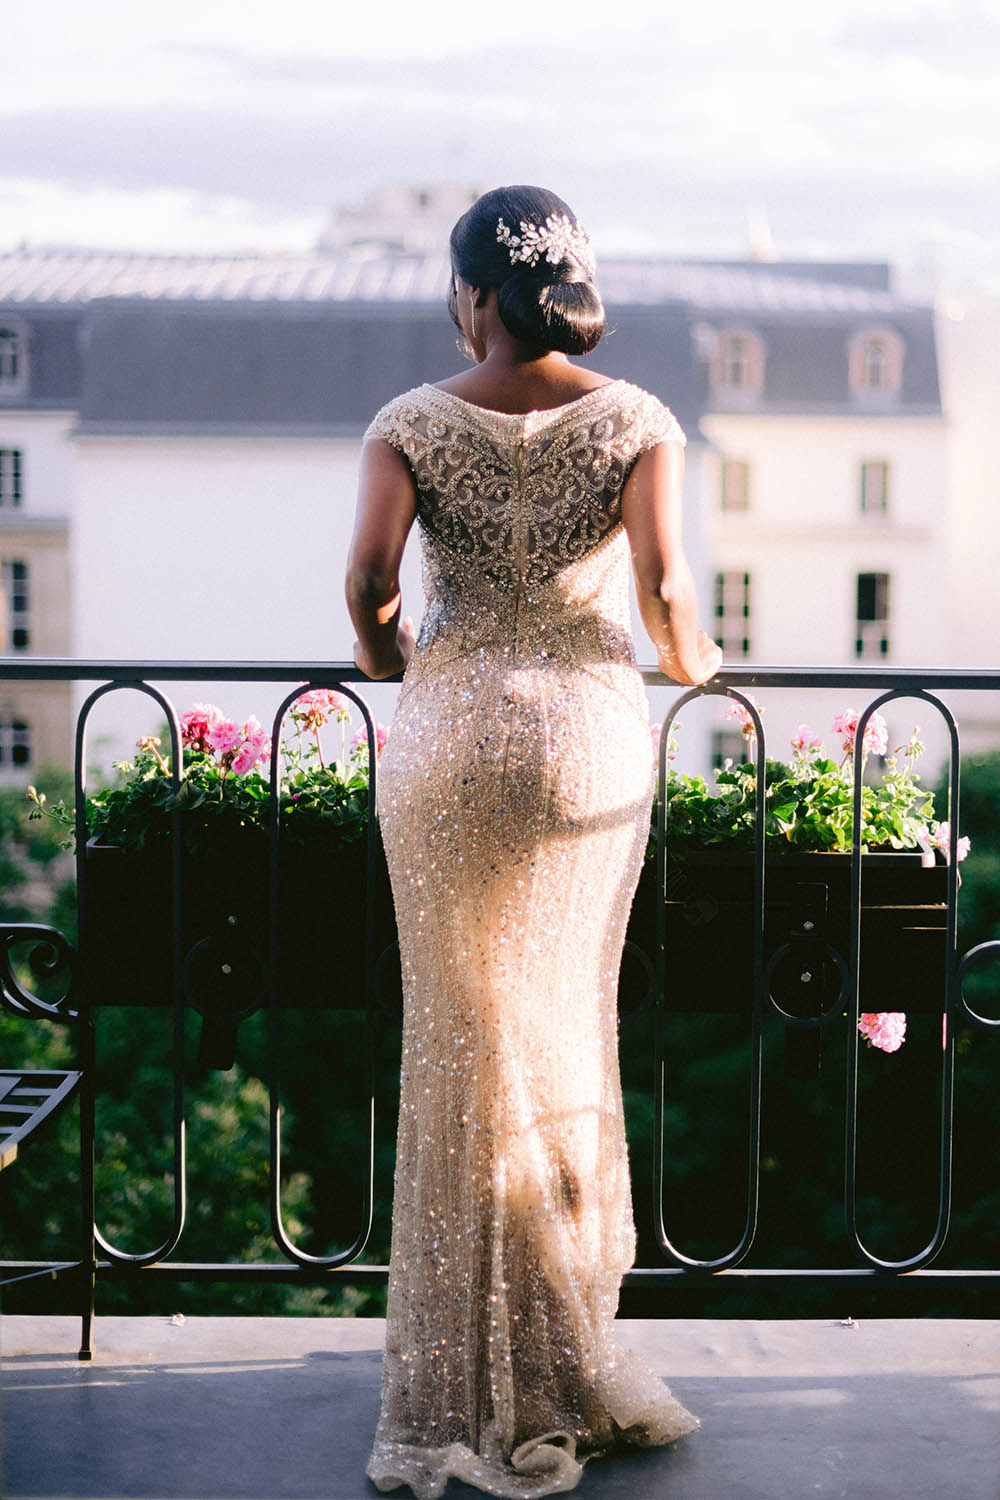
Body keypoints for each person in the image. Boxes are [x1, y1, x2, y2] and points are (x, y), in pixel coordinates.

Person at [346, 185, 721, 1500]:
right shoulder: (636, 422)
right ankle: (559, 1356)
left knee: (459, 1039)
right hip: (583, 743)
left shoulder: (409, 423)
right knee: (556, 1033)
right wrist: (699, 657)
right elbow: (673, 597)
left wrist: (391, 657)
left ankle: (453, 1378)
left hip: (447, 744)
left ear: (467, 293)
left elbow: (371, 587)